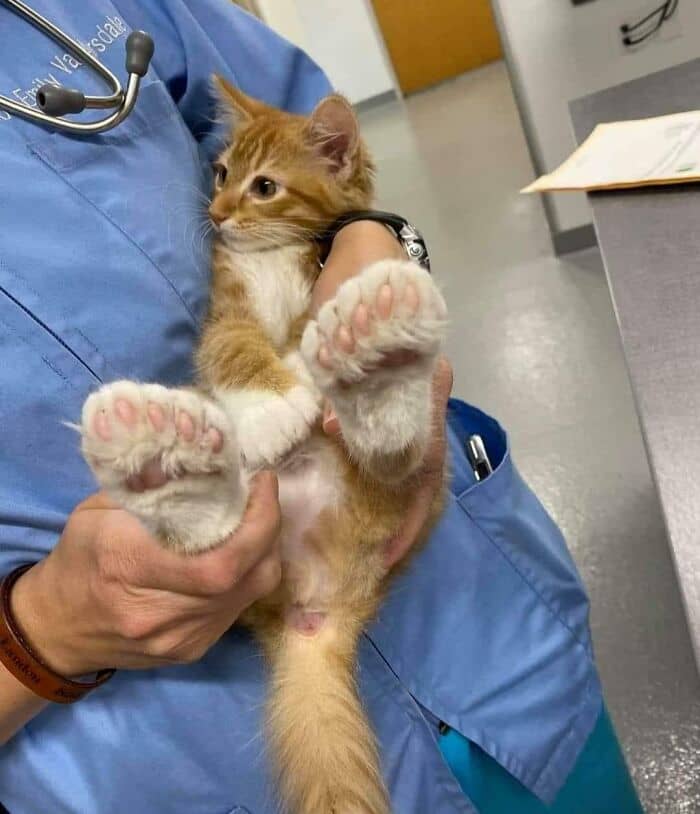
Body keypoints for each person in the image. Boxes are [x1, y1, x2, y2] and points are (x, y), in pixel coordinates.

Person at [0, 2, 644, 812]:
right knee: (232, 444)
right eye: (225, 184)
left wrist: (371, 243)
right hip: (164, 731)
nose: (219, 206)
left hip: (479, 627)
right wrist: (42, 632)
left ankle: (368, 416)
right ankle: (202, 494)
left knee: (334, 421)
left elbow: (316, 145)